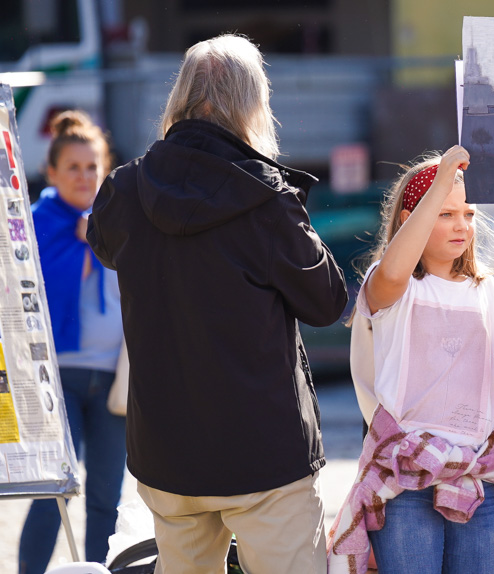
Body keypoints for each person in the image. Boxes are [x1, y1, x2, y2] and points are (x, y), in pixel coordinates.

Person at [86, 34, 347, 574]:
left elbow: (105, 245)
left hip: (167, 455)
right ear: (253, 103)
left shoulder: (124, 191)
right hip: (264, 455)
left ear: (179, 97)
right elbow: (327, 302)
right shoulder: (266, 200)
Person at [328, 146, 494, 574]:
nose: (462, 226)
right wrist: (441, 182)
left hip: (478, 475)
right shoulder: (392, 283)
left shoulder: (488, 292)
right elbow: (394, 274)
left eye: (469, 214)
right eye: (445, 213)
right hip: (405, 480)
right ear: (409, 219)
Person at [18, 111, 125, 574]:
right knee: (49, 494)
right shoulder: (36, 223)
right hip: (52, 377)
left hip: (115, 378)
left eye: (92, 167)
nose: (84, 177)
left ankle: (100, 571)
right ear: (53, 172)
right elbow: (28, 292)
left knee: (106, 496)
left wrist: (101, 234)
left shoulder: (119, 221)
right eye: (74, 167)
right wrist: (86, 244)